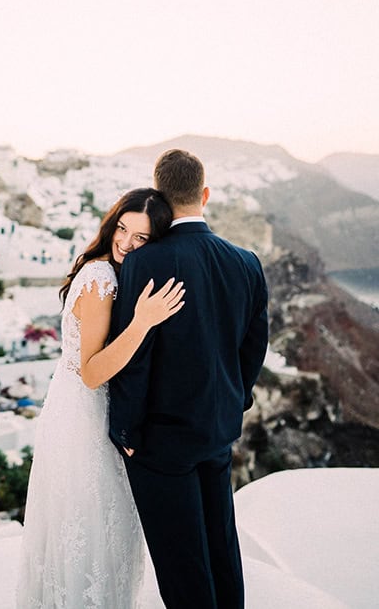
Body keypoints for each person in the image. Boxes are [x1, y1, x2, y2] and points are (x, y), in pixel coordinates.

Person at [109, 150, 269, 609]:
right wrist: (233, 402)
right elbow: (252, 348)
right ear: (205, 194)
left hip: (160, 442)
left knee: (182, 569)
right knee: (222, 552)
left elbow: (136, 359)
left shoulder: (146, 262)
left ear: (159, 195)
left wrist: (126, 430)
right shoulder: (246, 262)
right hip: (217, 433)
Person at [17, 188, 185, 608]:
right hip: (85, 418)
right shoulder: (101, 279)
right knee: (92, 530)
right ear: (112, 224)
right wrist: (143, 322)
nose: (126, 242)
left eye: (141, 238)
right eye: (123, 229)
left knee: (97, 531)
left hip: (79, 412)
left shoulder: (110, 273)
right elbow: (92, 372)